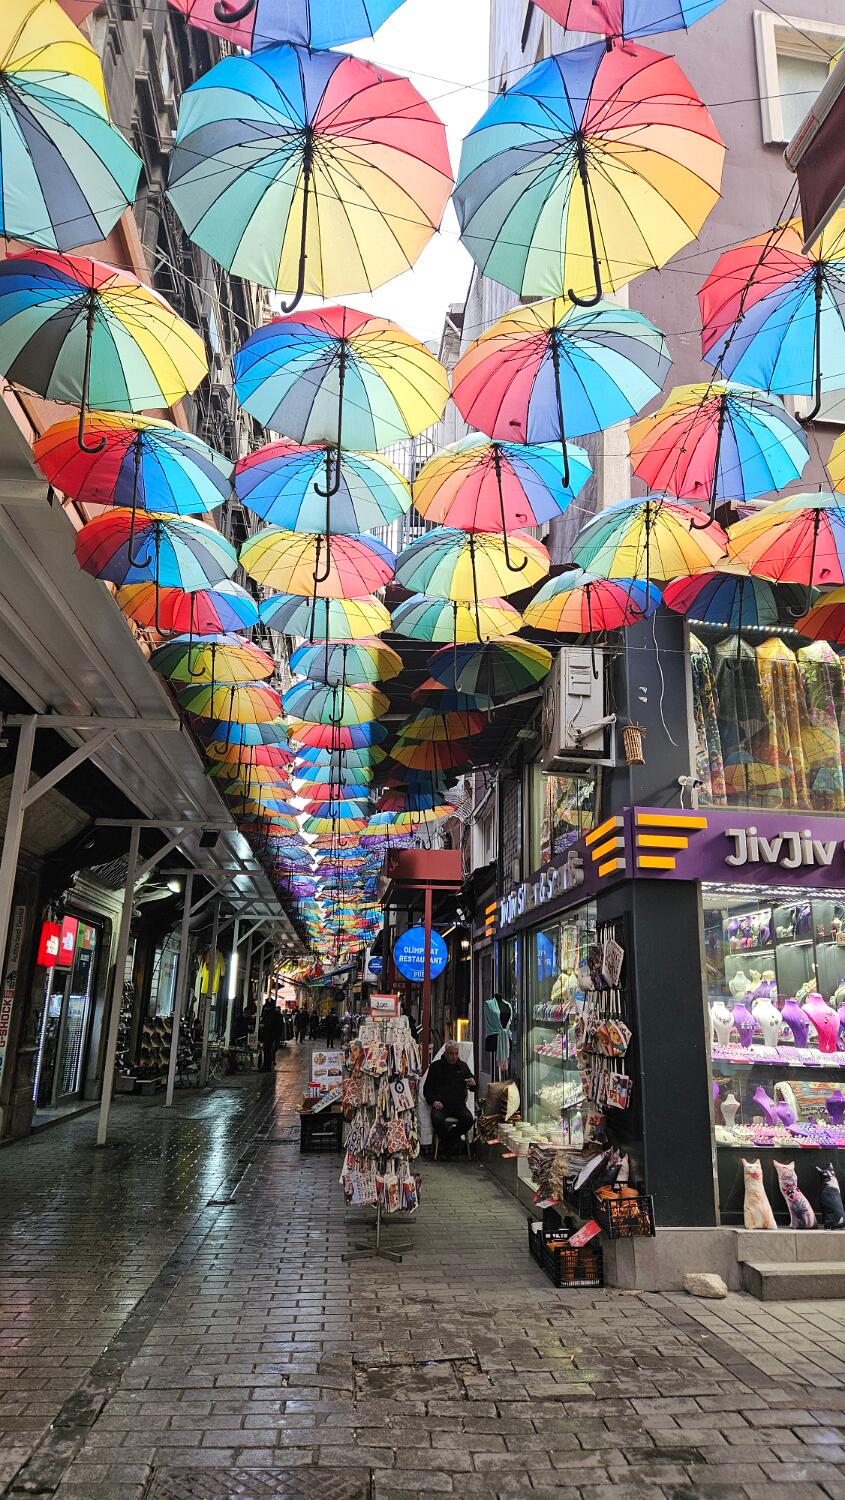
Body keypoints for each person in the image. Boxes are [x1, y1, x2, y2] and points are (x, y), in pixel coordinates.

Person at [423, 1041, 476, 1156]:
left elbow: (473, 1087)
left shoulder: (462, 1066)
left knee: (469, 1119)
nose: (454, 1056)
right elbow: (427, 1089)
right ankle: (452, 1144)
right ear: (445, 1053)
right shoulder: (435, 1067)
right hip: (441, 1105)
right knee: (437, 1119)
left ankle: (448, 1142)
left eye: (456, 1053)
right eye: (451, 1054)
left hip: (458, 1105)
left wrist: (473, 1083)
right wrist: (433, 1101)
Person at [258, 997, 279, 1072]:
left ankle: (266, 1066)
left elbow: (271, 1024)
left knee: (267, 1050)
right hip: (268, 1034)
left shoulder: (271, 1013)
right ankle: (266, 1065)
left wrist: (264, 1026)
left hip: (268, 1034)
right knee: (267, 1050)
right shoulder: (273, 1012)